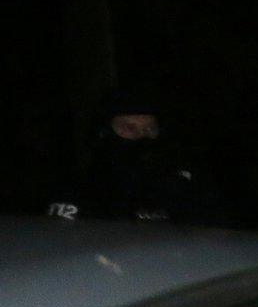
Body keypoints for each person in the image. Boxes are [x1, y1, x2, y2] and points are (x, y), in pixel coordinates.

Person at [48, 88, 224, 224]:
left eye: (150, 128)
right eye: (129, 128)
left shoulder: (183, 177)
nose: (142, 136)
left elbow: (215, 232)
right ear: (104, 132)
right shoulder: (80, 182)